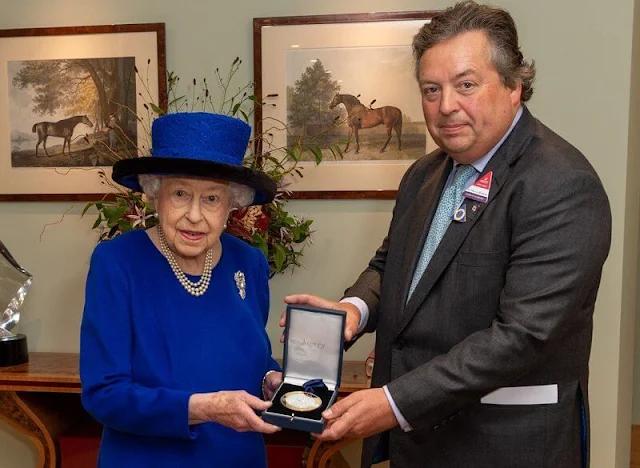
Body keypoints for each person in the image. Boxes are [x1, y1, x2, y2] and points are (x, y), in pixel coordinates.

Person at [284, 2, 612, 467]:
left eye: (466, 85)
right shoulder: (423, 174)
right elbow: (392, 264)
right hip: (420, 443)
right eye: (431, 89)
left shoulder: (561, 183)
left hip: (503, 444)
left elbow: (522, 336)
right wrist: (353, 311)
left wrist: (394, 402)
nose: (446, 106)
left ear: (514, 85)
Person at [80, 112, 284, 468]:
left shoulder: (248, 262)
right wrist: (203, 409)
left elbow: (253, 352)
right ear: (155, 195)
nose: (194, 215)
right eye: (179, 193)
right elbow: (104, 394)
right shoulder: (117, 262)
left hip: (238, 456)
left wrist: (270, 378)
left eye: (211, 199)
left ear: (231, 206)